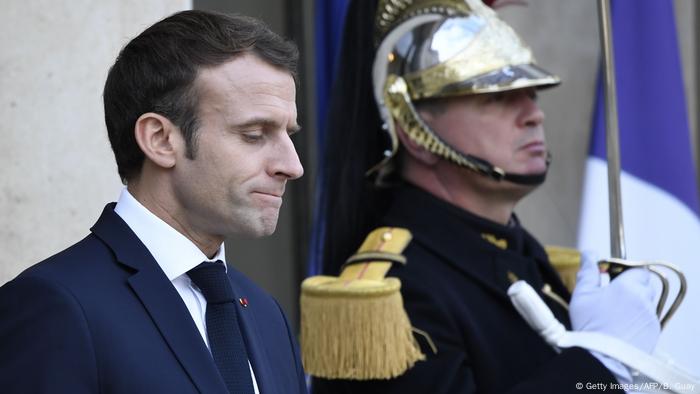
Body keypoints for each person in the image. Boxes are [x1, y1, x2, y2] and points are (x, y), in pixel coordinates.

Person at [309, 0, 660, 393]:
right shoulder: (395, 293)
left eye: (532, 93)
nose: (533, 114)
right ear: (413, 130)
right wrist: (600, 365)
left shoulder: (524, 258)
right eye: (496, 96)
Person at [0, 10, 307, 394]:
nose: (292, 166)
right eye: (254, 134)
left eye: (287, 133)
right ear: (160, 139)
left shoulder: (267, 315)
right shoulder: (57, 306)